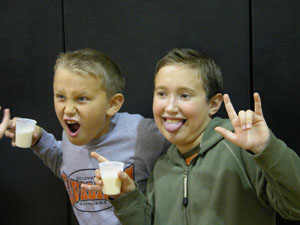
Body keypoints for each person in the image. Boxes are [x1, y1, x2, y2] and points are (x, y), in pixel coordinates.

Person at [87, 48, 300, 225]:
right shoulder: (162, 166)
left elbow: (295, 207)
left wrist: (266, 149)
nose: (169, 107)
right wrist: (126, 197)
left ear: (213, 104)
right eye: (162, 93)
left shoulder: (241, 149)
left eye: (184, 95)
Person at [5, 48, 169, 225]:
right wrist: (39, 140)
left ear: (113, 104)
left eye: (81, 98)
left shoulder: (142, 133)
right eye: (61, 97)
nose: (68, 109)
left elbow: (186, 149)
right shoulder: (71, 133)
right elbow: (67, 165)